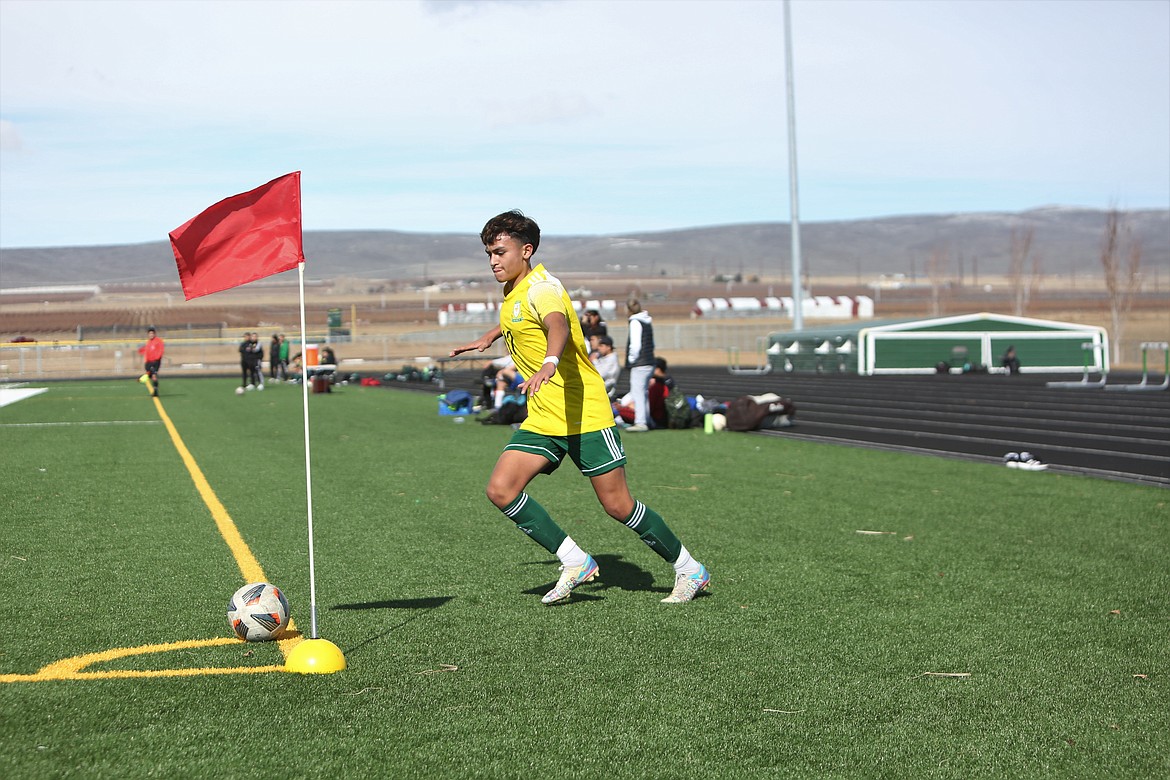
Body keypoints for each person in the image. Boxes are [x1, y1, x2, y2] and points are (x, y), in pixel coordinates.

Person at [450, 210, 710, 605]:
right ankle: (575, 561)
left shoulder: (543, 288)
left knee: (618, 505)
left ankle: (690, 569)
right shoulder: (514, 290)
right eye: (489, 253)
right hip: (545, 418)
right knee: (501, 489)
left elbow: (557, 324)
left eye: (500, 252)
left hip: (584, 412)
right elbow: (523, 321)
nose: (493, 261)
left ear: (527, 250)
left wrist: (550, 362)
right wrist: (490, 336)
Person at [624, 298, 655, 432]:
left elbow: (635, 345)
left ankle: (641, 422)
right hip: (649, 361)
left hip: (640, 363)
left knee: (638, 393)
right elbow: (652, 343)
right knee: (644, 393)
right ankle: (648, 420)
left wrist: (631, 359)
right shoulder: (646, 320)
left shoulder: (635, 322)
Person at [647, 357, 676, 428]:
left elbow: (651, 406)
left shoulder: (659, 385)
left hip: (658, 418)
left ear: (658, 369)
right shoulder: (668, 381)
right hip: (665, 417)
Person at [592, 335, 621, 400]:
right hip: (599, 390)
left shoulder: (612, 359)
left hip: (606, 393)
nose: (598, 348)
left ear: (608, 347)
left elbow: (600, 373)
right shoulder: (604, 357)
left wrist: (594, 361)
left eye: (601, 346)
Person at [137, 327, 164, 397]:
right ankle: (145, 379)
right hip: (148, 362)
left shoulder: (158, 341)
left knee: (154, 375)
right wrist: (141, 350)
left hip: (155, 362)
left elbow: (161, 350)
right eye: (150, 333)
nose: (151, 335)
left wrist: (157, 358)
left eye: (152, 333)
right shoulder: (148, 342)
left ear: (154, 334)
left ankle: (155, 391)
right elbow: (146, 350)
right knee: (151, 376)